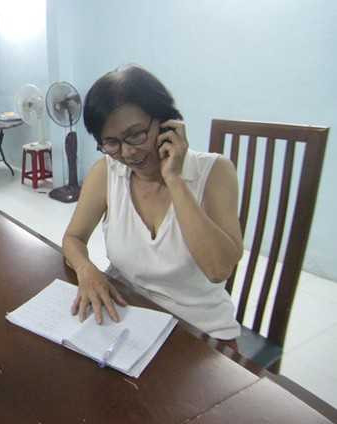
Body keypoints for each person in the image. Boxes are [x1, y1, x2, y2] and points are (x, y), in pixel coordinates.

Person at [62, 65, 243, 345]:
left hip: (197, 331)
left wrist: (174, 179)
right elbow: (73, 238)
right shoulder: (107, 172)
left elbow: (218, 270)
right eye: (111, 142)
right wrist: (86, 269)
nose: (127, 153)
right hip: (127, 315)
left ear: (166, 122)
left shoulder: (215, 172)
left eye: (136, 134)